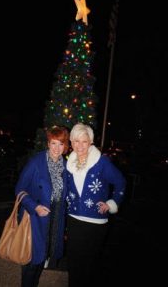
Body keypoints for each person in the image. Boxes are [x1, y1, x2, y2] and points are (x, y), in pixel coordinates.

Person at [66, 123, 126, 287]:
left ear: (90, 142)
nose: (80, 145)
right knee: (73, 262)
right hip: (73, 219)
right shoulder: (69, 164)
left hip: (95, 222)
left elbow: (120, 181)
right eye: (76, 141)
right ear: (71, 142)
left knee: (88, 264)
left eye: (84, 141)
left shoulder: (101, 162)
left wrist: (112, 203)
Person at [15, 126, 69, 287]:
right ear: (48, 143)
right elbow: (19, 189)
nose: (57, 148)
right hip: (34, 219)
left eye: (61, 144)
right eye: (53, 143)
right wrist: (34, 207)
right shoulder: (36, 162)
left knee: (42, 260)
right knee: (32, 261)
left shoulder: (66, 166)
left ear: (65, 146)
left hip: (54, 220)